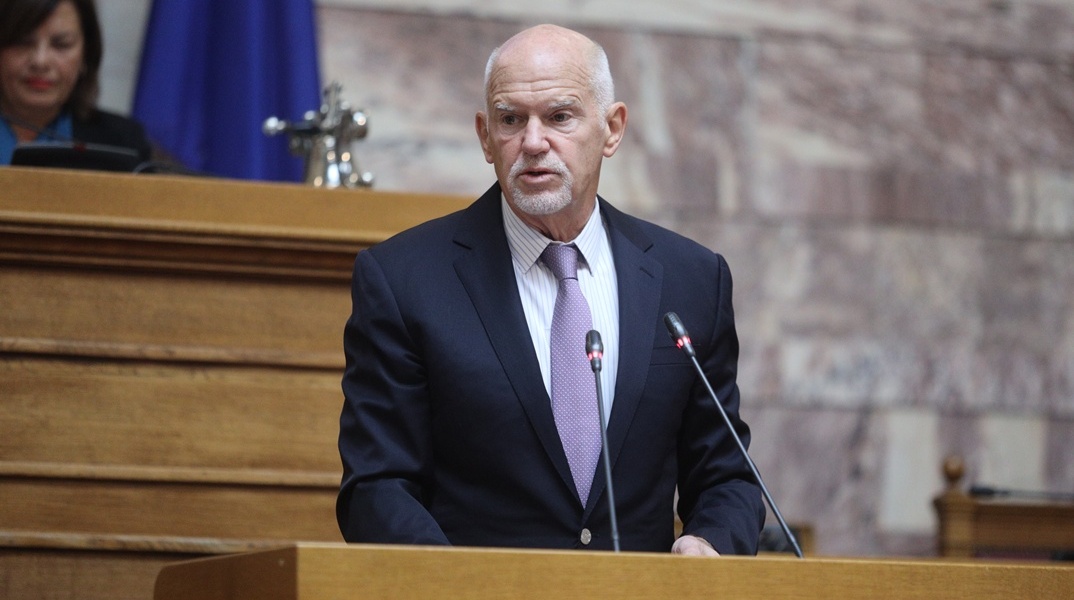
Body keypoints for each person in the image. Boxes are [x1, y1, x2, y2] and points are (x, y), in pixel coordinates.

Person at [337, 24, 765, 555]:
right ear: (485, 137)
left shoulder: (691, 279)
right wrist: (459, 585)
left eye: (560, 116)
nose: (533, 142)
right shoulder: (405, 280)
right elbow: (377, 486)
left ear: (612, 129)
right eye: (511, 120)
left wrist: (710, 543)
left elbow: (727, 477)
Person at [0, 0, 152, 166]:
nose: (40, 61)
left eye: (61, 45)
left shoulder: (123, 143)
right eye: (22, 42)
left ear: (86, 54)